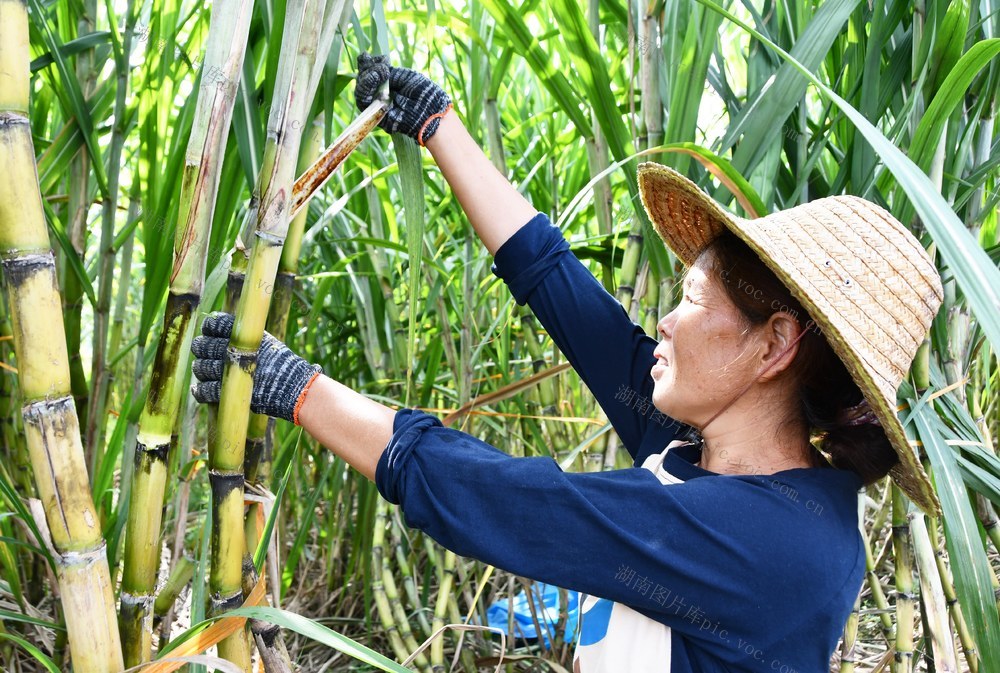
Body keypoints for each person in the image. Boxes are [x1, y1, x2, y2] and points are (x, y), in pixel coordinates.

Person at [191, 54, 944, 672]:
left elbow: (521, 504)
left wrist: (296, 390)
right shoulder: (712, 452)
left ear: (774, 344)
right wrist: (437, 125)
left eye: (690, 298)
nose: (665, 324)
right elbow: (563, 293)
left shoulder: (771, 543)